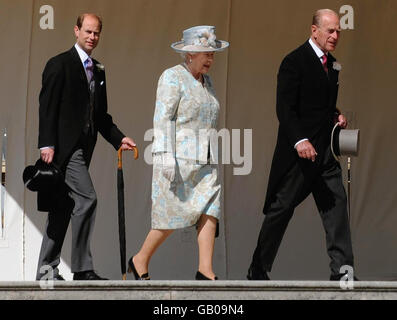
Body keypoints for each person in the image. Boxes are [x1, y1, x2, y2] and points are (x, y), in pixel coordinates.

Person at [248, 9, 357, 281]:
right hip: (299, 156)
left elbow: (321, 105)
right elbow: (285, 108)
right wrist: (300, 140)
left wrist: (336, 114)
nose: (335, 36)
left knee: (337, 208)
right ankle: (258, 270)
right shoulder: (294, 61)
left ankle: (342, 273)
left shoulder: (332, 65)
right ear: (314, 30)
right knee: (280, 209)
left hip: (324, 156)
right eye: (330, 30)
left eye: (338, 32)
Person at [36, 13, 136, 281]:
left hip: (84, 147)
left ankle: (46, 272)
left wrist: (118, 138)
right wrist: (46, 144)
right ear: (76, 31)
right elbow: (46, 107)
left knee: (62, 207)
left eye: (96, 33)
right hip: (63, 150)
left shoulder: (99, 69)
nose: (92, 37)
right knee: (87, 199)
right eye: (88, 31)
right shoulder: (59, 64)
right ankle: (81, 268)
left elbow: (100, 115)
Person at [128, 26, 229, 281]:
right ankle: (140, 259)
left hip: (207, 157)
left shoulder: (209, 82)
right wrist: (163, 153)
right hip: (178, 159)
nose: (210, 59)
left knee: (210, 208)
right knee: (172, 213)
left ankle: (205, 270)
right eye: (204, 53)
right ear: (189, 54)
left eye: (212, 54)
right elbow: (163, 116)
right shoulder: (172, 77)